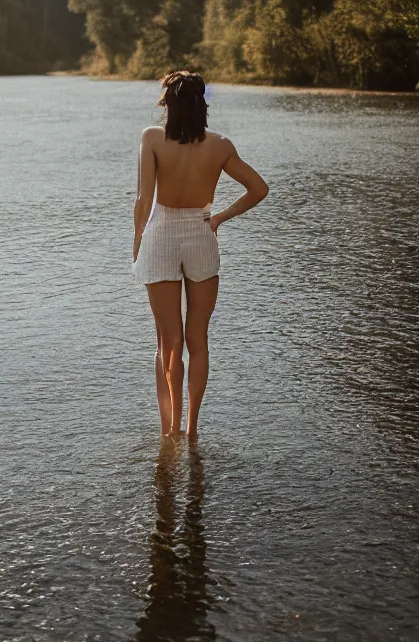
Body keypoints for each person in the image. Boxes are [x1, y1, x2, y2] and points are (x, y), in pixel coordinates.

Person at [132, 70, 269, 442]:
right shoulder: (220, 145)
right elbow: (259, 189)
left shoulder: (152, 138)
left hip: (160, 236)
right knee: (197, 339)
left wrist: (136, 244)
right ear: (202, 105)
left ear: (167, 106)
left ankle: (169, 430)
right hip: (201, 233)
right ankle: (192, 431)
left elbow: (144, 199)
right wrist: (221, 216)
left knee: (168, 342)